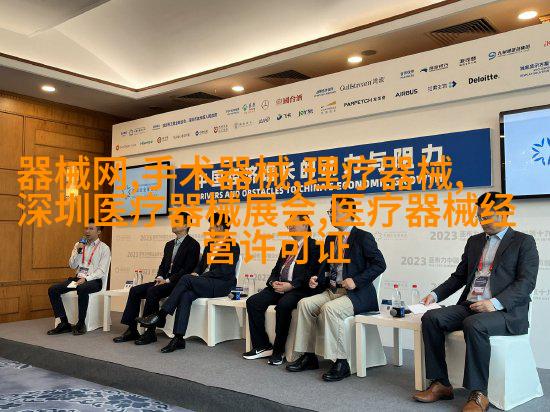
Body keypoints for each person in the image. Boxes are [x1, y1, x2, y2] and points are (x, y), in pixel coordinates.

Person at [413, 192, 539, 412]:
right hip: (471, 305)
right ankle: (441, 383)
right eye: (480, 216)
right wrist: (435, 295)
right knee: (431, 318)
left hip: (505, 312)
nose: (483, 221)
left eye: (488, 216)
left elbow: (526, 283)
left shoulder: (523, 242)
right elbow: (459, 277)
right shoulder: (475, 241)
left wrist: (495, 303)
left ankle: (479, 393)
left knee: (474, 324)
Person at [286, 197, 386, 381]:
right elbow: (326, 267)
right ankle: (308, 356)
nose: (331, 215)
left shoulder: (363, 237)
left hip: (356, 295)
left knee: (329, 310)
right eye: (330, 212)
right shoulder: (331, 238)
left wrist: (356, 281)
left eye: (335, 211)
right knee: (304, 304)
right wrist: (316, 279)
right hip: (332, 291)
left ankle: (341, 361)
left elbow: (380, 264)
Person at [137, 212, 240, 353]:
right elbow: (201, 265)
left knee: (186, 278)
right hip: (205, 283)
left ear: (220, 227)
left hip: (221, 285)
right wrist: (196, 273)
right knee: (185, 295)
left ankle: (161, 314)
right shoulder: (210, 245)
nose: (209, 229)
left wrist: (199, 276)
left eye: (211, 226)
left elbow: (224, 271)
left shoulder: (233, 246)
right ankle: (178, 338)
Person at [243, 214, 321, 365]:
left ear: (306, 225)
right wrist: (273, 282)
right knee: (253, 302)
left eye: (293, 223)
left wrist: (291, 285)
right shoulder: (287, 246)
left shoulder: (315, 246)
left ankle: (279, 351)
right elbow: (276, 270)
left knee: (283, 306)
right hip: (279, 286)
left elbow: (312, 273)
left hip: (299, 289)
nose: (290, 226)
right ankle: (263, 345)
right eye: (288, 224)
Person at [113, 212, 200, 345]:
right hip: (163, 281)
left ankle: (150, 332)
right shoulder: (169, 244)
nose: (173, 224)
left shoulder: (193, 244)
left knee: (152, 291)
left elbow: (187, 270)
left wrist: (168, 280)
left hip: (178, 283)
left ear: (186, 225)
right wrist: (160, 277)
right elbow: (163, 265)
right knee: (135, 290)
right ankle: (132, 330)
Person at [47, 220, 111, 336]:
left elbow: (101, 271)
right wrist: (78, 251)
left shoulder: (104, 248)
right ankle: (64, 323)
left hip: (93, 281)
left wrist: (86, 279)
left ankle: (81, 323)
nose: (87, 231)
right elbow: (72, 265)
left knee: (82, 288)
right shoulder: (78, 245)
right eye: (86, 228)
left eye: (91, 229)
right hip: (77, 279)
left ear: (99, 232)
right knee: (53, 289)